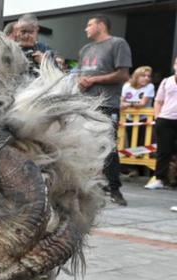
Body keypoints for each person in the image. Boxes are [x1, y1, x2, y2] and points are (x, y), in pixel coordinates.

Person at [78, 14, 131, 206]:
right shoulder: (85, 49)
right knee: (84, 146)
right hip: (85, 103)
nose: (86, 29)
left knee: (108, 147)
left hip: (107, 103)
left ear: (101, 25)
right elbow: (82, 74)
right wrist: (81, 82)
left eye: (89, 24)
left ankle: (114, 189)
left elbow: (123, 74)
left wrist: (93, 80)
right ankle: (90, 187)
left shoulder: (118, 44)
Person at [150, 57, 177, 191]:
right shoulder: (166, 81)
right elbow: (158, 101)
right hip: (165, 119)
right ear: (174, 65)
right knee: (163, 151)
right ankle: (160, 179)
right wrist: (157, 117)